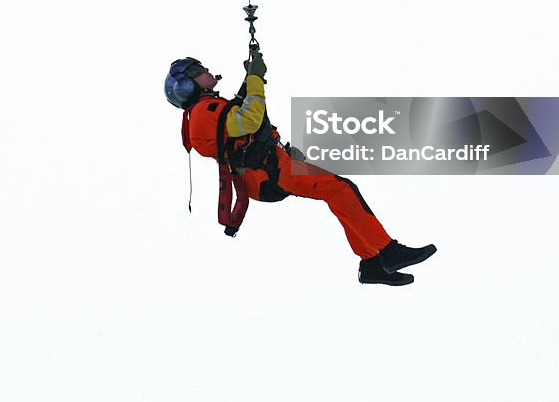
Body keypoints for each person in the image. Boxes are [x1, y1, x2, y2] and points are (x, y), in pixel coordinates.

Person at [165, 54, 437, 286]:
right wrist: (256, 79)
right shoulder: (202, 114)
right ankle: (386, 252)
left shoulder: (207, 111)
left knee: (340, 191)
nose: (208, 72)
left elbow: (237, 114)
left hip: (270, 169)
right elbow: (249, 119)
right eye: (200, 71)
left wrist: (250, 77)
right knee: (340, 189)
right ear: (188, 84)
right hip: (269, 172)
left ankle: (371, 264)